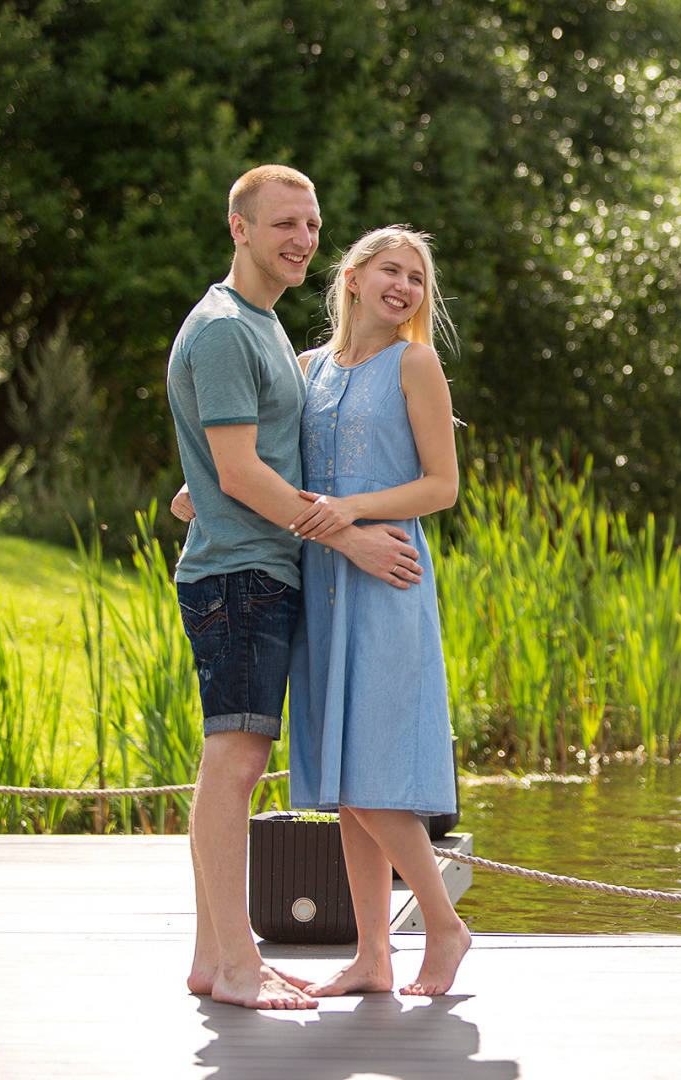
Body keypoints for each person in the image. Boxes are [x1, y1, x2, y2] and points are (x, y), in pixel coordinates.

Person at [166, 167, 423, 1010]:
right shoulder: (223, 331)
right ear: (238, 227)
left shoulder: (265, 329)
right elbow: (239, 470)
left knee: (237, 762)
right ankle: (237, 963)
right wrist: (346, 535)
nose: (302, 239)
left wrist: (206, 490)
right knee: (233, 763)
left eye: (312, 224)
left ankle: (217, 959)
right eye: (284, 224)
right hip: (239, 575)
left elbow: (224, 470)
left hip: (261, 568)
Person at [283, 225, 471, 997]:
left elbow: (441, 486)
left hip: (388, 579)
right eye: (390, 270)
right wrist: (207, 491)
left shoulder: (415, 363)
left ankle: (445, 925)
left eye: (417, 278)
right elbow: (273, 465)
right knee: (341, 780)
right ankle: (372, 957)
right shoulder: (306, 368)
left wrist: (350, 511)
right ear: (353, 278)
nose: (404, 287)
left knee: (371, 777)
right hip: (320, 586)